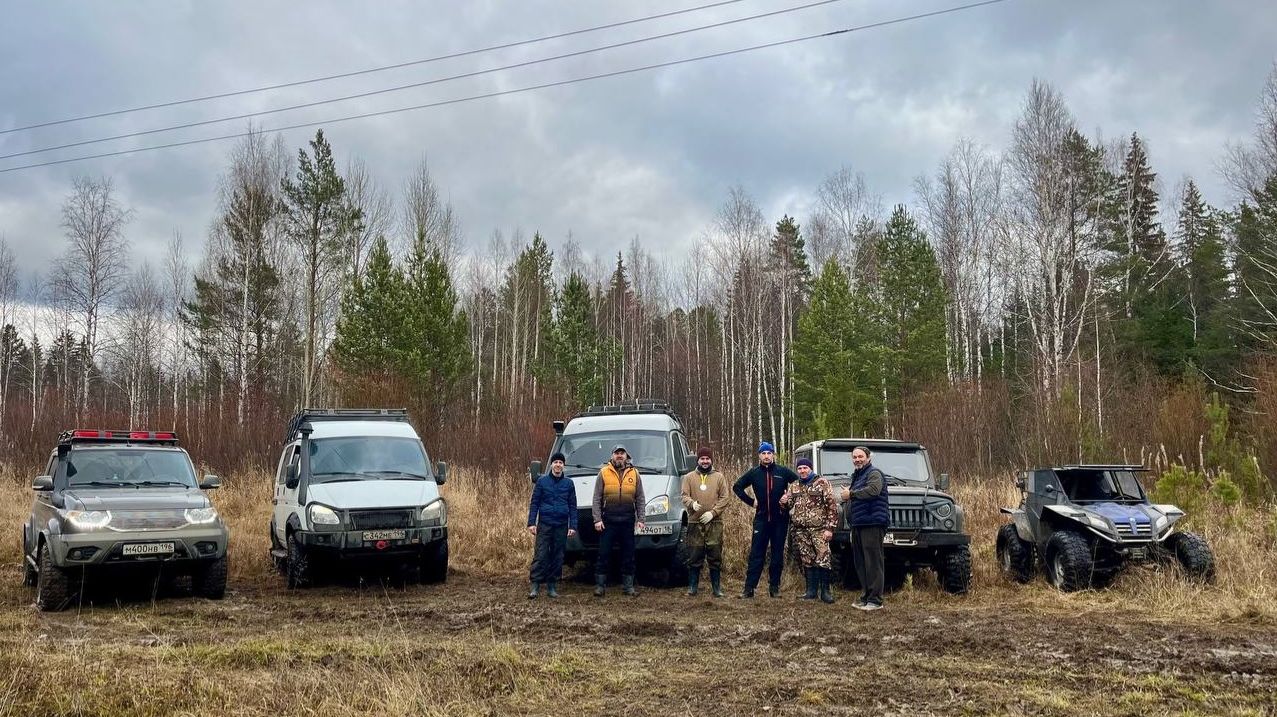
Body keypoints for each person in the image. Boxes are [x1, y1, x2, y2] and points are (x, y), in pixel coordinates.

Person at [732, 442, 799, 598]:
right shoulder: (754, 473)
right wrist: (751, 502)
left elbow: (798, 484)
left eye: (769, 453)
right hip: (761, 519)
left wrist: (789, 496)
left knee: (777, 554)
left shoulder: (782, 471)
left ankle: (774, 588)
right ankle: (749, 589)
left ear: (773, 455)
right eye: (763, 453)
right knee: (756, 554)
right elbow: (737, 487)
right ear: (759, 455)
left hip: (780, 520)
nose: (766, 456)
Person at [779, 457, 838, 603]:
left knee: (823, 558)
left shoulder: (822, 483)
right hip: (801, 530)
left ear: (810, 468)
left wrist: (830, 528)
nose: (802, 471)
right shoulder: (794, 486)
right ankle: (811, 591)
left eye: (805, 468)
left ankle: (825, 592)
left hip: (819, 529)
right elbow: (788, 505)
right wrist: (783, 501)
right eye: (799, 468)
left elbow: (831, 506)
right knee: (807, 559)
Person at [592, 445, 645, 597]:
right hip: (608, 521)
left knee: (628, 555)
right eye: (617, 453)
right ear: (612, 456)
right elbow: (596, 498)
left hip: (628, 521)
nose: (619, 456)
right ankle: (600, 586)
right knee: (603, 554)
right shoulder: (603, 473)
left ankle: (628, 587)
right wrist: (597, 519)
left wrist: (641, 518)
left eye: (622, 453)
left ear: (626, 456)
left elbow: (640, 498)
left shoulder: (634, 473)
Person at [839, 446, 888, 610]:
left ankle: (875, 600)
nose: (857, 459)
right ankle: (866, 596)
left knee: (873, 562)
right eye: (854, 457)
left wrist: (851, 494)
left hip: (872, 523)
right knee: (861, 562)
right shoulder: (858, 475)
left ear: (868, 458)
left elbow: (874, 490)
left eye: (860, 456)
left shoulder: (874, 473)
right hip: (858, 524)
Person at [679, 446, 730, 598]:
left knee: (715, 555)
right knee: (694, 555)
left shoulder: (719, 477)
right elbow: (684, 496)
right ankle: (692, 587)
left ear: (711, 460)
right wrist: (691, 504)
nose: (705, 461)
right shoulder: (689, 477)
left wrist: (713, 513)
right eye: (702, 459)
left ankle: (716, 589)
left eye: (707, 459)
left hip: (714, 523)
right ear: (698, 460)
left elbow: (725, 498)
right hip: (695, 523)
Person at [526, 452, 577, 599]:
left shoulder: (569, 483)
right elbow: (534, 503)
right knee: (541, 555)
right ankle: (535, 585)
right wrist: (531, 523)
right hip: (545, 524)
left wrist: (573, 526)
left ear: (563, 466)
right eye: (556, 462)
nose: (558, 465)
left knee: (557, 556)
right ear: (552, 465)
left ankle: (552, 586)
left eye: (561, 463)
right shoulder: (542, 482)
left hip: (561, 525)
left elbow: (572, 506)